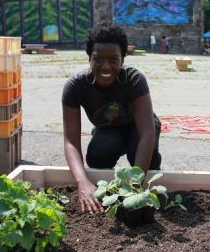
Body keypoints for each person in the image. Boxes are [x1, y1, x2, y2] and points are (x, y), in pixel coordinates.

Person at [62, 21, 162, 213]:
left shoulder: (134, 80)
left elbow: (147, 133)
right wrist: (83, 182)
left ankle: (149, 168)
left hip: (139, 128)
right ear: (89, 59)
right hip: (108, 129)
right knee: (97, 156)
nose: (105, 66)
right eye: (98, 59)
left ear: (123, 59)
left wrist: (134, 187)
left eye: (113, 60)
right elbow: (71, 141)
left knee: (142, 160)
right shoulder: (75, 86)